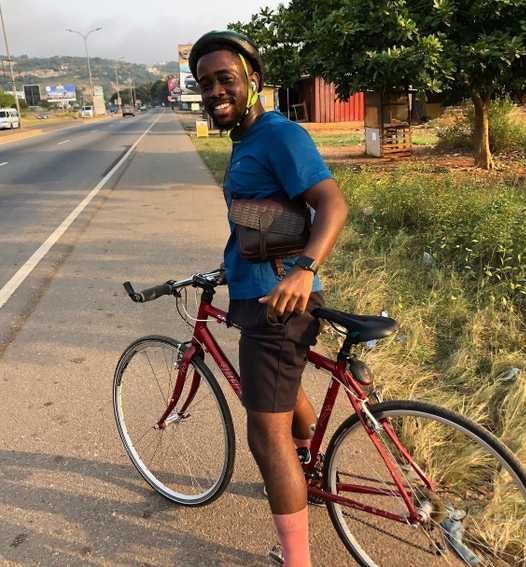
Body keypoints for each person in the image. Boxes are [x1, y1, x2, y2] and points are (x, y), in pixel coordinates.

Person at [190, 30, 349, 567]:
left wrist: (305, 270)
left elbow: (331, 205)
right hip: (261, 293)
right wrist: (230, 265)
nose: (214, 91)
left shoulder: (280, 135)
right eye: (205, 83)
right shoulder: (245, 141)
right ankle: (307, 470)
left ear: (253, 82)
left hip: (278, 306)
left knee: (265, 434)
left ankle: (297, 560)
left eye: (225, 79)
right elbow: (263, 220)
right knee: (285, 399)